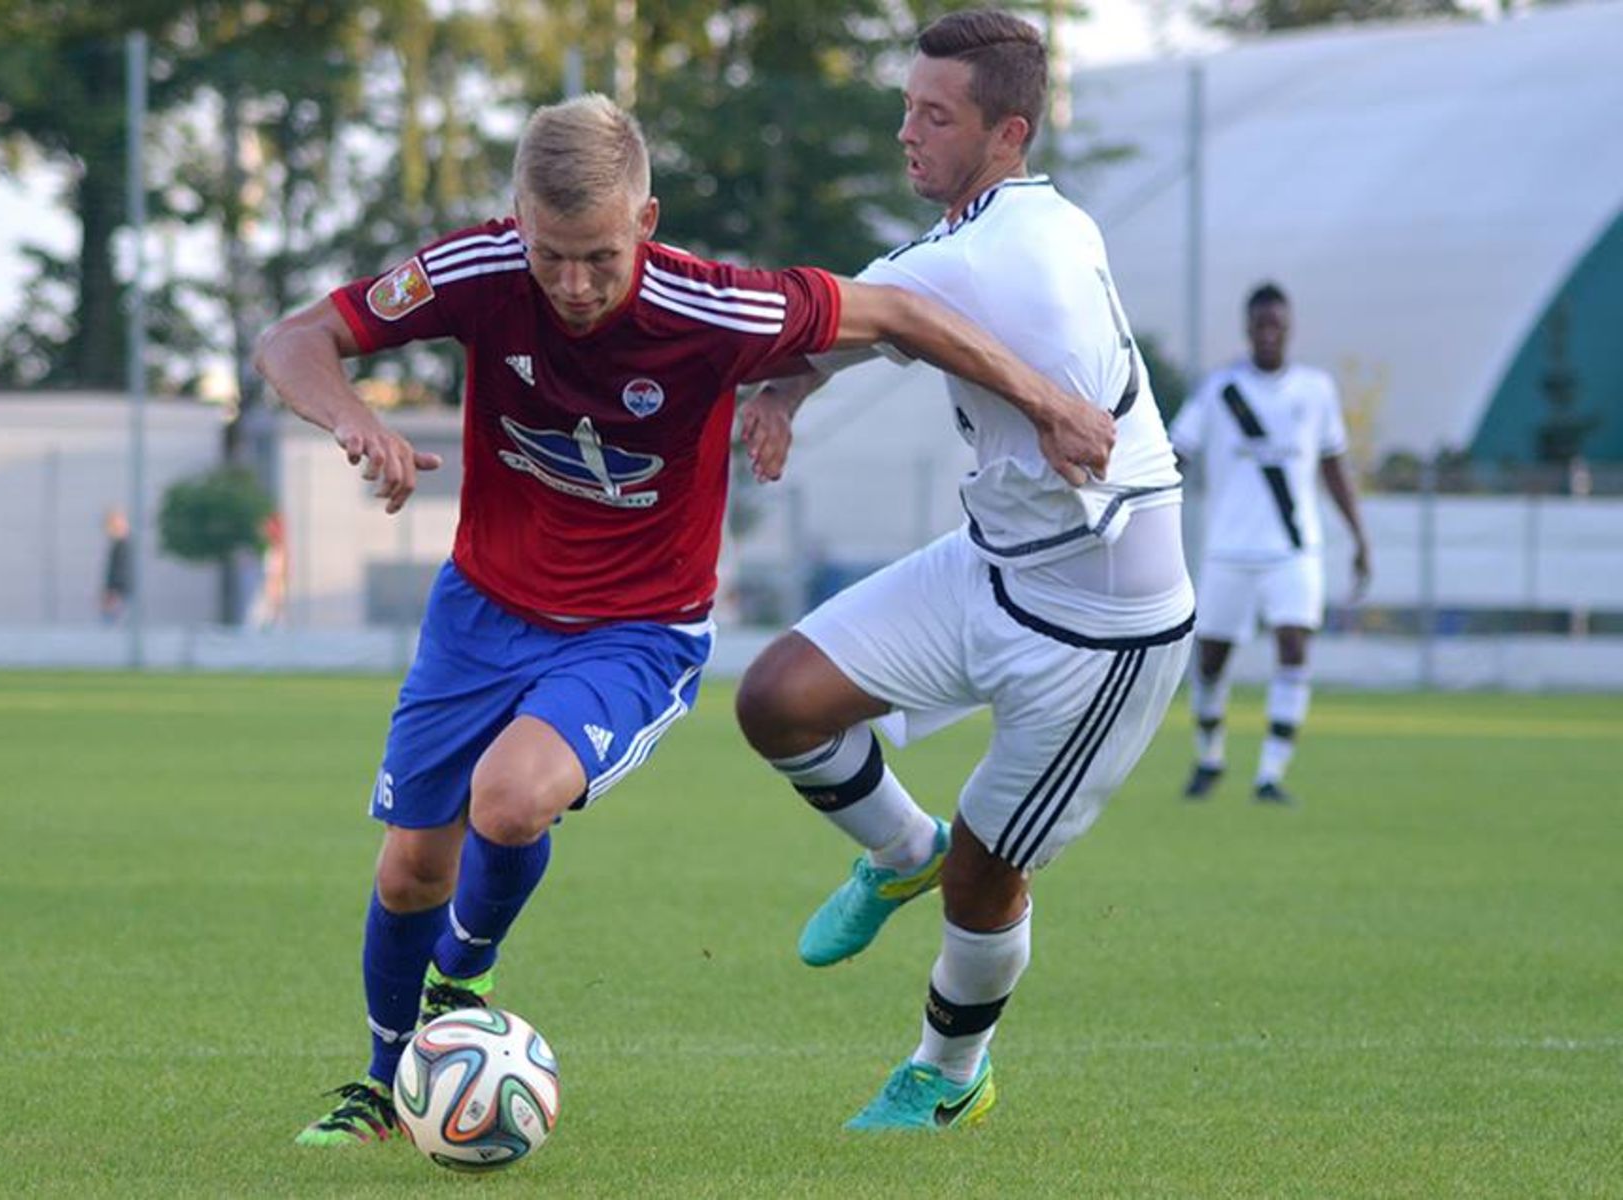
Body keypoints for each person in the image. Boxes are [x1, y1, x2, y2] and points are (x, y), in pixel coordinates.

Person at [252, 91, 1113, 1147]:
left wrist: (1046, 402)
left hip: (635, 630)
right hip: (478, 608)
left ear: (645, 226)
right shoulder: (476, 271)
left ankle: (456, 988)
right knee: (408, 869)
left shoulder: (714, 310)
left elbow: (898, 315)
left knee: (509, 800)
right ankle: (381, 1088)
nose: (571, 286)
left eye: (599, 258)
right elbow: (296, 339)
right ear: (515, 220)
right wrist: (355, 421)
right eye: (550, 255)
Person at [731, 9, 1194, 1132]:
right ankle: (900, 853)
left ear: (1007, 132)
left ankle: (948, 1070)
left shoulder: (1013, 254)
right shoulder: (989, 227)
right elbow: (886, 306)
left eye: (934, 116)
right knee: (776, 700)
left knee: (986, 880)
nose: (907, 133)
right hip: (991, 569)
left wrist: (1054, 408)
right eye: (905, 107)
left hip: (1100, 631)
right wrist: (790, 391)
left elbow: (903, 310)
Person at [1169, 283, 1371, 804]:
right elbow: (1178, 455)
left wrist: (1358, 535)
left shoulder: (1315, 390)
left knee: (1294, 646)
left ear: (1289, 328)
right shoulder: (1220, 390)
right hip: (1228, 550)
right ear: (1247, 329)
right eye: (1259, 325)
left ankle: (1270, 775)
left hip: (1293, 548)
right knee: (1211, 659)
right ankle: (1209, 758)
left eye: (1276, 325)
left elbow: (1332, 466)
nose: (1268, 334)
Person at [100, 506, 131, 623]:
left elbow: (119, 572)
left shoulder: (122, 546)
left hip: (119, 592)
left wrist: (113, 592)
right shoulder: (118, 545)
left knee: (117, 623)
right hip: (118, 591)